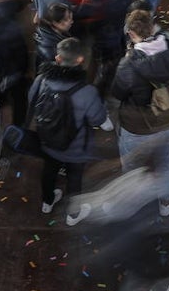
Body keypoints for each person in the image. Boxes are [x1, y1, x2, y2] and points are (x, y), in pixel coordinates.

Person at [111, 9, 169, 218]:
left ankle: (132, 206)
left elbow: (117, 92)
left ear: (132, 34)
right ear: (152, 27)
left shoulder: (128, 64)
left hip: (138, 126)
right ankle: (165, 202)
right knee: (165, 161)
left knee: (132, 166)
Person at [30, 37, 111, 223]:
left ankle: (47, 202)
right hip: (75, 148)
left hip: (48, 140)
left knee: (49, 170)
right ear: (80, 60)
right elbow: (97, 118)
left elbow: (32, 101)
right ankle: (73, 215)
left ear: (58, 58)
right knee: (74, 178)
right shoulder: (87, 91)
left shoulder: (42, 79)